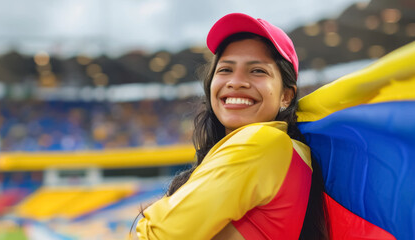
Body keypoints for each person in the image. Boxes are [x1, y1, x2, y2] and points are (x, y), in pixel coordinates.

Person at [135, 13, 327, 239]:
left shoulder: (263, 142)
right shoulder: (289, 149)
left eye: (257, 71)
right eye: (225, 69)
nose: (236, 82)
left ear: (286, 96)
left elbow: (158, 236)